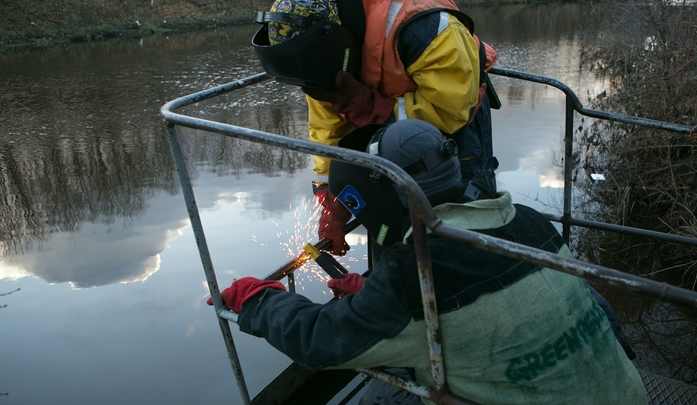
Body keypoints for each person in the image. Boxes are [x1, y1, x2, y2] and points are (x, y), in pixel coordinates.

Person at [208, 120, 648, 405]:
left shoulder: (413, 270)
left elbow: (320, 341)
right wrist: (376, 297)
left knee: (382, 397)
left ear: (383, 195)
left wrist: (256, 300)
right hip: (628, 394)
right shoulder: (527, 220)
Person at [252, 0, 501, 257]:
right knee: (391, 230)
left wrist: (367, 106)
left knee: (461, 239)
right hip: (383, 134)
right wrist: (331, 195)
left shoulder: (426, 27)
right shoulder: (319, 56)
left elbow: (450, 114)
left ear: (337, 36)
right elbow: (327, 127)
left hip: (454, 136)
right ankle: (393, 282)